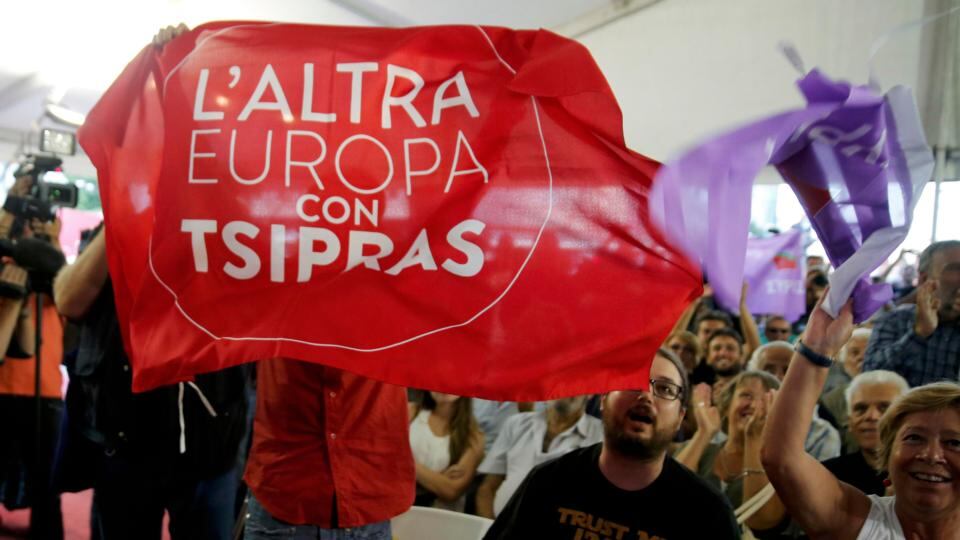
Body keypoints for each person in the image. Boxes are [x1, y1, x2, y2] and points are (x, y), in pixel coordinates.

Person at [483, 349, 739, 539]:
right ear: (604, 399)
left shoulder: (707, 514)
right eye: (632, 382)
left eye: (665, 389)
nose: (645, 396)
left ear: (679, 418)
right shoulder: (550, 481)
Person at [763, 292, 960, 538]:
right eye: (914, 438)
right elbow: (782, 458)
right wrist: (817, 347)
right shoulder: (857, 521)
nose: (931, 455)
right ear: (887, 457)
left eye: (954, 443)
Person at [674, 374, 788, 536]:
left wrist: (754, 437)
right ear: (727, 404)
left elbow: (763, 522)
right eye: (746, 395)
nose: (754, 405)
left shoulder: (781, 466)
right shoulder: (700, 447)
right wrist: (704, 433)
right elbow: (665, 496)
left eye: (765, 400)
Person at [475, 395, 602, 518]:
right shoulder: (517, 423)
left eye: (573, 382)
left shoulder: (601, 435)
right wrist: (491, 528)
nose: (564, 389)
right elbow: (488, 488)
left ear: (590, 392)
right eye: (557, 380)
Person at [863, 240, 960, 387]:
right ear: (924, 279)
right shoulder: (895, 322)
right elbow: (871, 379)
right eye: (955, 269)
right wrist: (919, 334)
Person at [821, 370, 908, 496]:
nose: (871, 416)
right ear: (849, 421)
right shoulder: (828, 476)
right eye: (860, 409)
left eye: (884, 408)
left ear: (905, 418)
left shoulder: (923, 475)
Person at [750, 341, 841, 460]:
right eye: (768, 371)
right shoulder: (738, 417)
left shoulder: (821, 434)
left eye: (788, 370)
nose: (777, 377)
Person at [408, 392, 483, 512]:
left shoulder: (474, 436)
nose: (444, 387)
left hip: (439, 514)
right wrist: (438, 478)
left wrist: (404, 462)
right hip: (399, 505)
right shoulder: (411, 411)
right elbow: (385, 456)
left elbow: (451, 491)